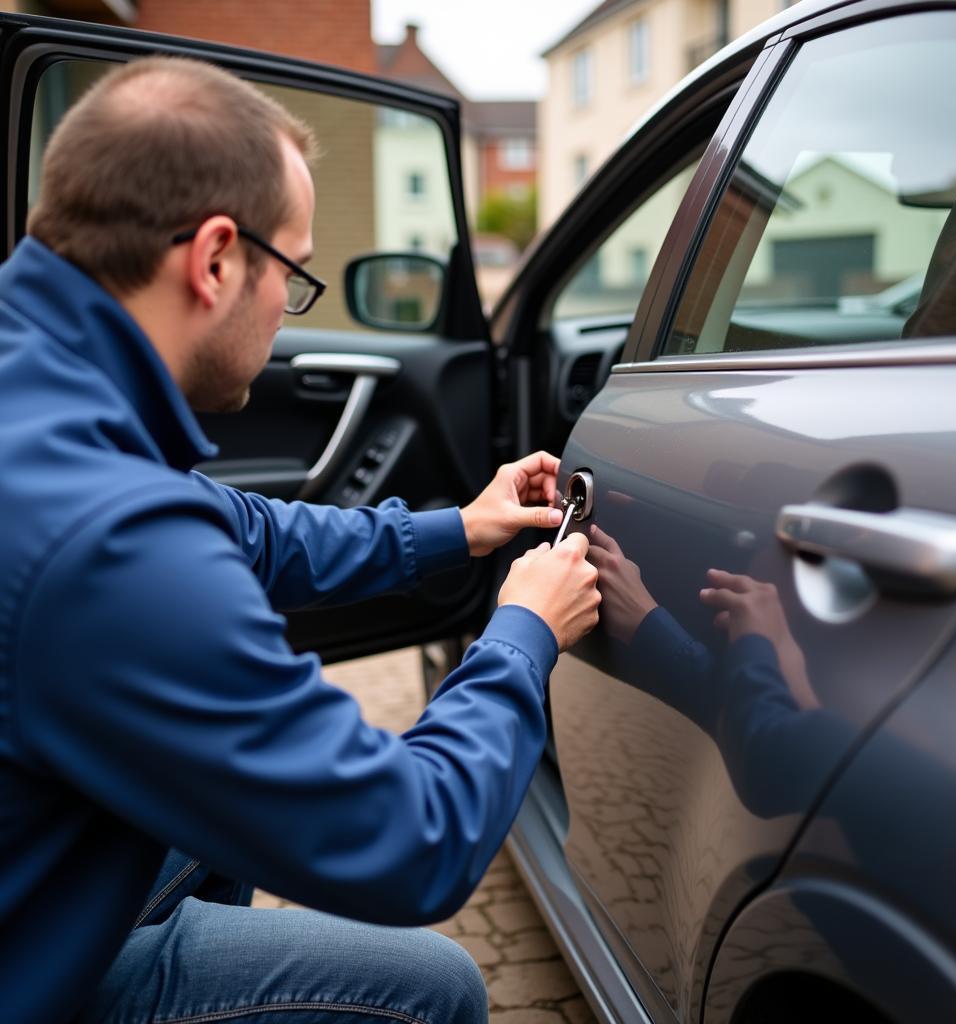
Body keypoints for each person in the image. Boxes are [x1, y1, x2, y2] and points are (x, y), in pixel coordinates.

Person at [0, 56, 600, 1024]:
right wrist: (522, 632)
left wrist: (463, 527)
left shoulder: (46, 386)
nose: (291, 305)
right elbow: (415, 841)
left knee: (218, 820)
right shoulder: (103, 536)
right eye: (298, 272)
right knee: (432, 987)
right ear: (215, 259)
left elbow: (247, 529)